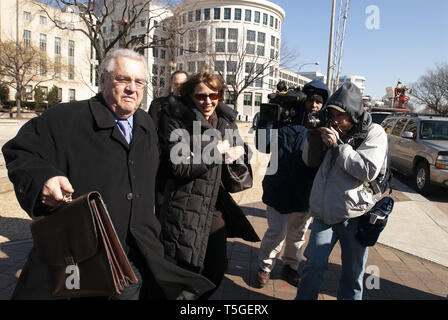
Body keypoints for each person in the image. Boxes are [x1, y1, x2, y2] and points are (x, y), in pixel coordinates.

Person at [1, 48, 215, 300]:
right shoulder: (66, 118)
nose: (131, 89)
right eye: (123, 79)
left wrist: (201, 157)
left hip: (133, 258)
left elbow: (161, 170)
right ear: (103, 79)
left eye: (139, 82)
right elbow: (20, 150)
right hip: (81, 257)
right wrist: (44, 179)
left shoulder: (145, 123)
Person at [156, 68, 260, 299]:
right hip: (184, 203)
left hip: (215, 202)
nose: (207, 101)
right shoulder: (176, 117)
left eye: (213, 96)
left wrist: (238, 152)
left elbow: (241, 151)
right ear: (190, 96)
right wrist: (216, 151)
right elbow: (179, 166)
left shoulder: (225, 120)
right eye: (201, 96)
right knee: (186, 270)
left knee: (217, 267)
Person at [295, 82, 388, 300]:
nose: (335, 120)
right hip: (324, 213)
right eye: (332, 114)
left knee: (352, 274)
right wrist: (314, 138)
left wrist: (339, 146)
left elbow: (368, 170)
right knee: (313, 266)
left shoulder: (374, 132)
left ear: (354, 114)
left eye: (340, 115)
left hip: (356, 214)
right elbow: (309, 162)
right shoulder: (330, 128)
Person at [255, 80, 329, 288]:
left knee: (297, 234)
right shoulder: (284, 120)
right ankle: (265, 267)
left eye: (319, 101)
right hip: (278, 185)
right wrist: (266, 121)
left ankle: (290, 266)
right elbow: (263, 145)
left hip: (305, 190)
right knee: (275, 231)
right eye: (311, 100)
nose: (314, 104)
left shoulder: (324, 125)